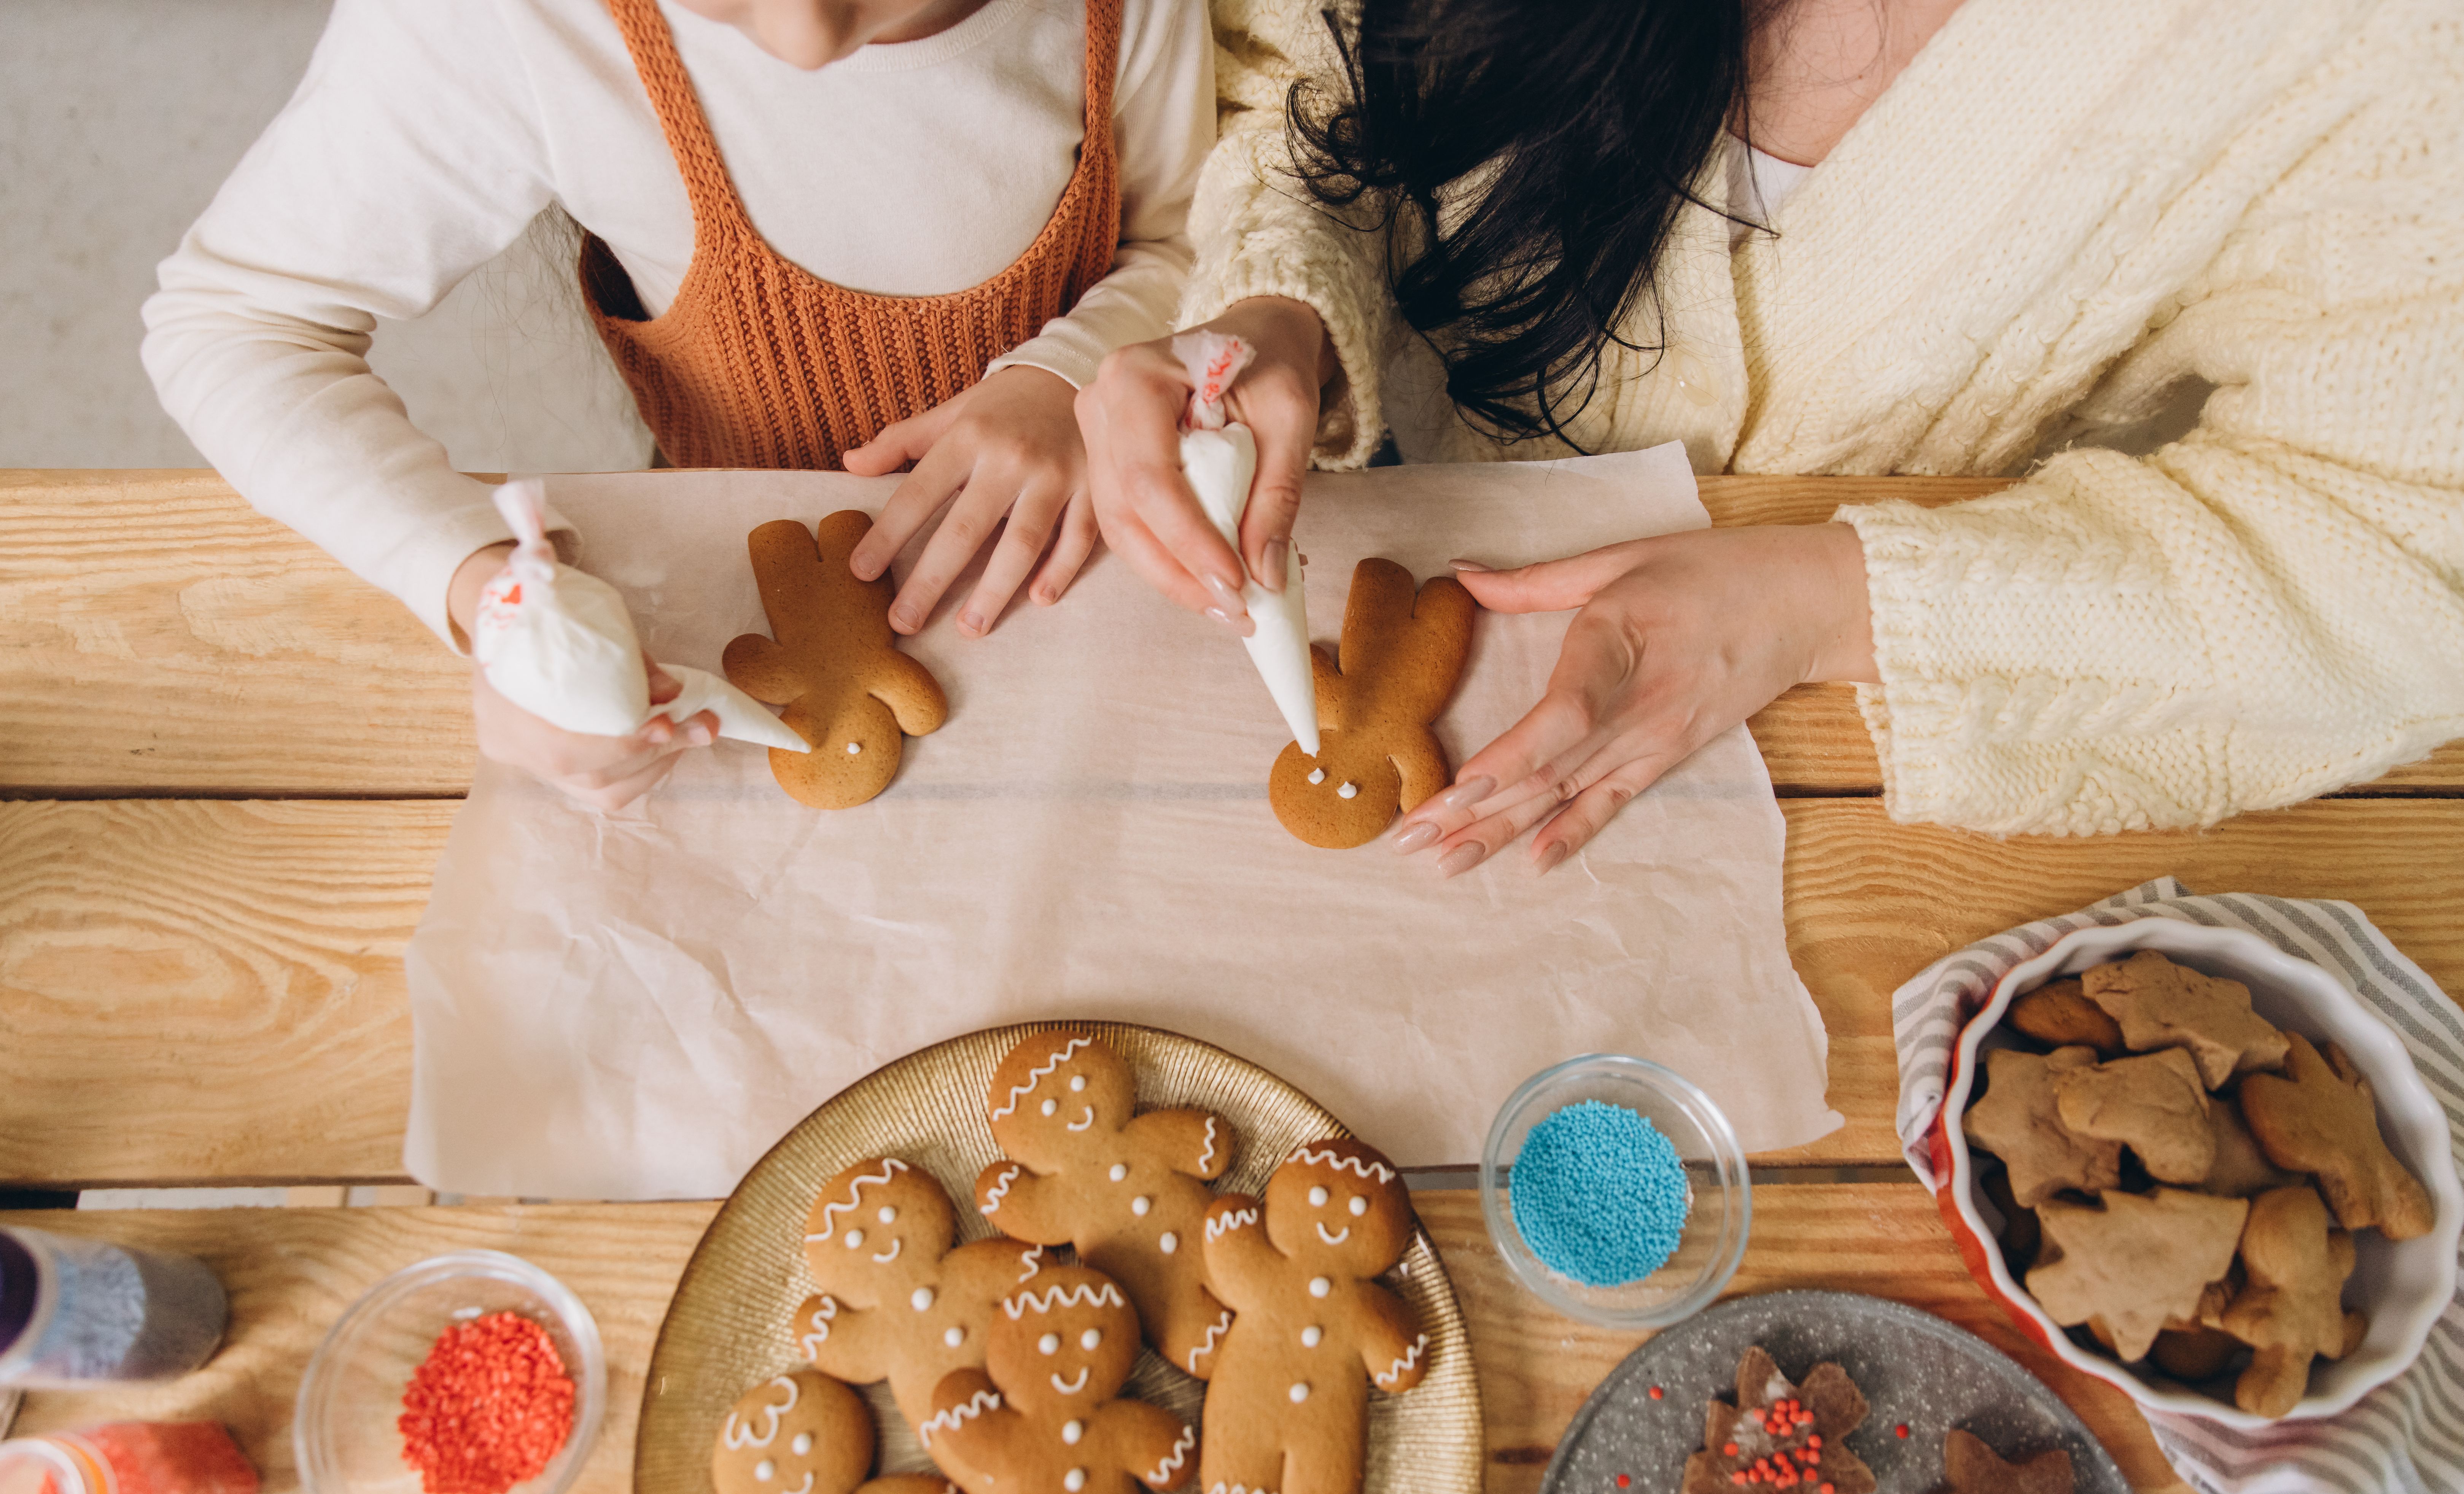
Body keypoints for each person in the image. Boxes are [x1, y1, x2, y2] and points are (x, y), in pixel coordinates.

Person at [1076, 0, 2464, 875]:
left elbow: (2412, 556)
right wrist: (1277, 311)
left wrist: (1820, 600)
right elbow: (1302, 67)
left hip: (1836, 768)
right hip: (1369, 521)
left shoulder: (2380, 53)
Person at [145, 0, 1212, 809]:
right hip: (729, 573)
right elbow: (231, 325)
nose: (804, 26)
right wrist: (484, 593)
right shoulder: (501, 25)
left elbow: (1194, 233)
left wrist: (1070, 371)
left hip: (1151, 546)